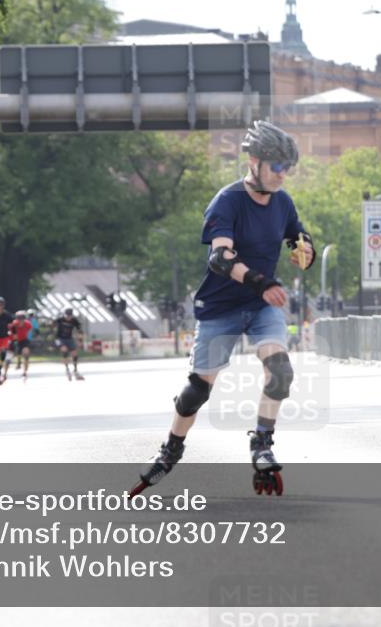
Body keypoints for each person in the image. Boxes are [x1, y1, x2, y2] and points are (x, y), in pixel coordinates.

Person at [131, 120, 314, 497]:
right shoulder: (227, 200)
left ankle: (261, 443)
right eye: (276, 166)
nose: (283, 175)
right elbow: (220, 258)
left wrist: (306, 250)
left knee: (280, 371)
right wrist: (262, 283)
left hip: (261, 307)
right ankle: (171, 450)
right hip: (221, 307)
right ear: (254, 161)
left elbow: (297, 235)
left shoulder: (283, 202)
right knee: (197, 391)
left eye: (288, 168)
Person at [54, 308, 84, 381]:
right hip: (59, 338)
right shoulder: (60, 320)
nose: (68, 318)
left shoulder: (74, 321)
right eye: (67, 316)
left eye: (70, 316)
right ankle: (67, 368)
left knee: (74, 353)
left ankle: (75, 369)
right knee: (64, 350)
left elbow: (80, 331)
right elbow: (52, 325)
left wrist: (80, 340)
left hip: (69, 338)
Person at [6, 310, 33, 381]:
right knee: (10, 356)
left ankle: (25, 372)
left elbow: (29, 330)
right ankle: (5, 373)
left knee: (26, 353)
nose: (20, 321)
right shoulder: (13, 324)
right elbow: (8, 330)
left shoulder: (28, 324)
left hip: (23, 340)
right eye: (19, 319)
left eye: (22, 319)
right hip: (14, 340)